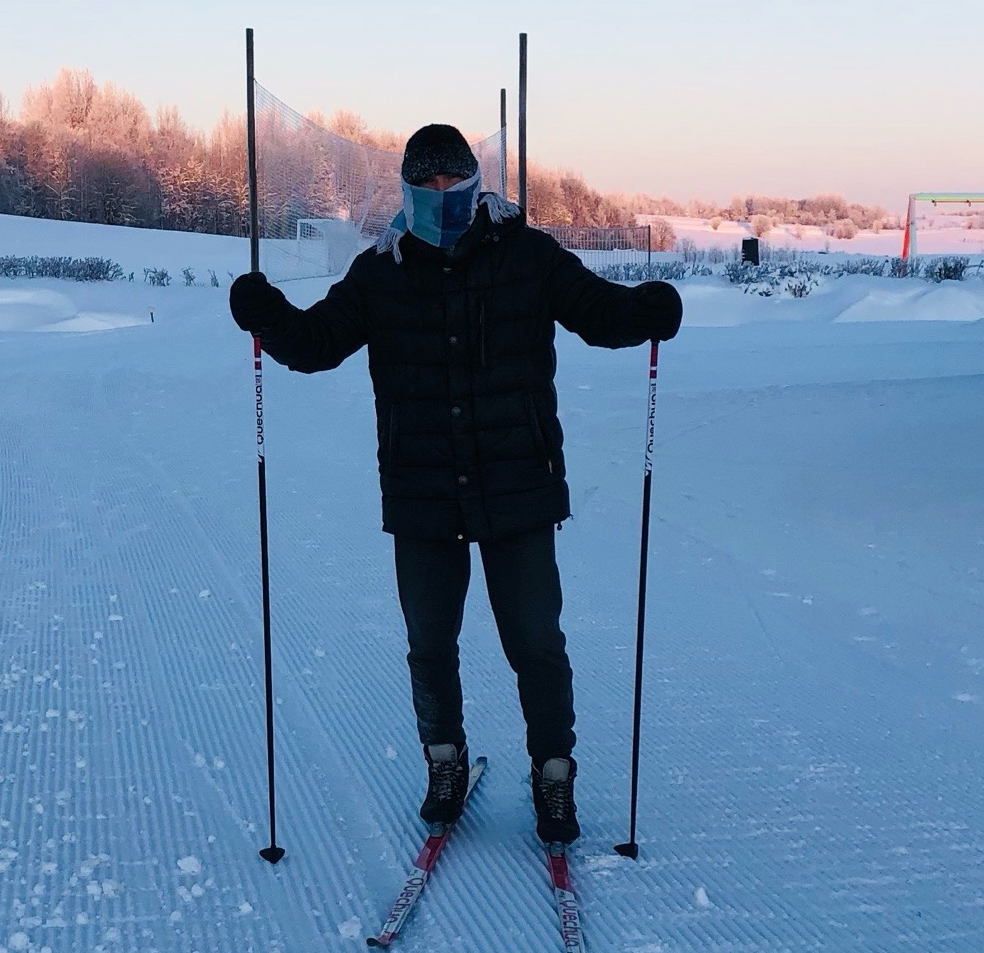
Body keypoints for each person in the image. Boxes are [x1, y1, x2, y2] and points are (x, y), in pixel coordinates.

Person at [229, 121, 682, 845]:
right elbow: (317, 344)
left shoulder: (529, 256)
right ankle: (445, 761)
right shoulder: (380, 272)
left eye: (452, 181)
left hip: (518, 486)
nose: (440, 194)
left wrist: (645, 312)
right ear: (407, 191)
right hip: (423, 492)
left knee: (535, 641)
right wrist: (270, 317)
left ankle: (554, 772)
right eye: (426, 183)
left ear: (475, 184)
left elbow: (599, 312)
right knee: (430, 643)